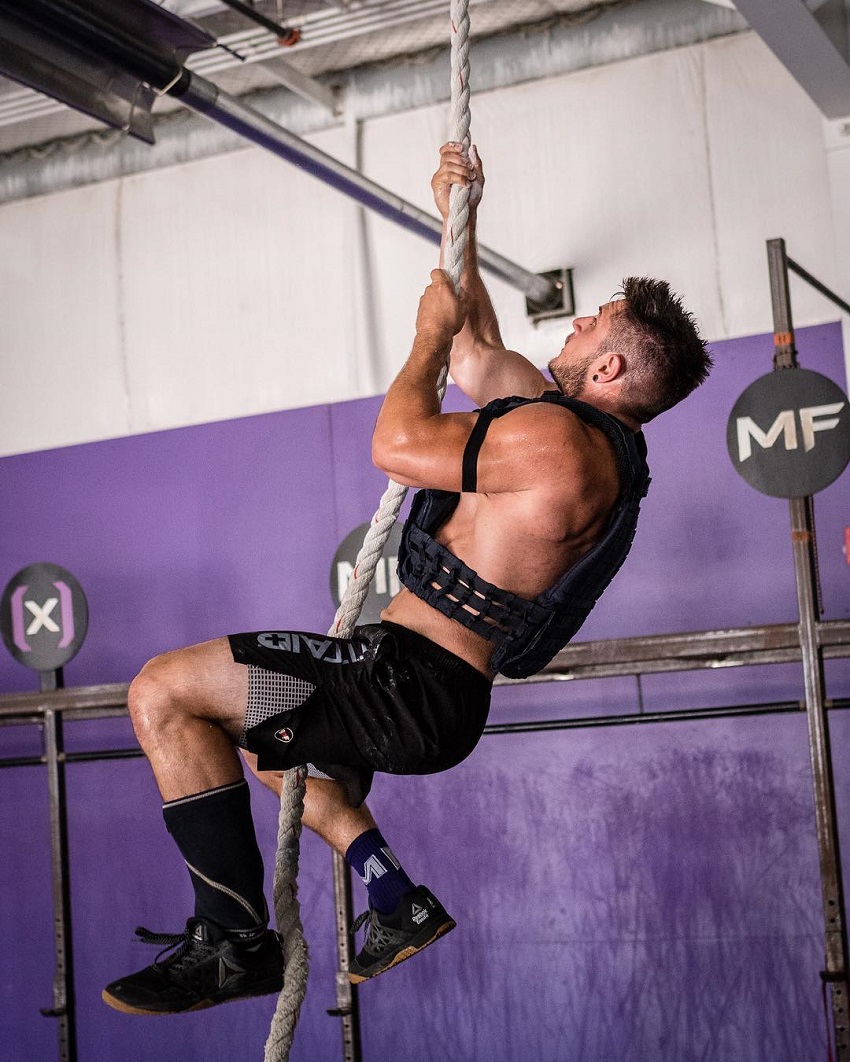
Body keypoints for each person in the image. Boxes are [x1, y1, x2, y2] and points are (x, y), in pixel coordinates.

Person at [102, 143, 711, 1015]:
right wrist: (456, 216)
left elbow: (397, 441)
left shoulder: (559, 447)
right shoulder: (576, 436)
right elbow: (478, 352)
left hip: (407, 682)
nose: (571, 329)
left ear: (609, 368)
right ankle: (392, 896)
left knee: (162, 692)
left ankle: (234, 944)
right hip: (415, 684)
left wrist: (423, 334)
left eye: (588, 326)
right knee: (272, 748)